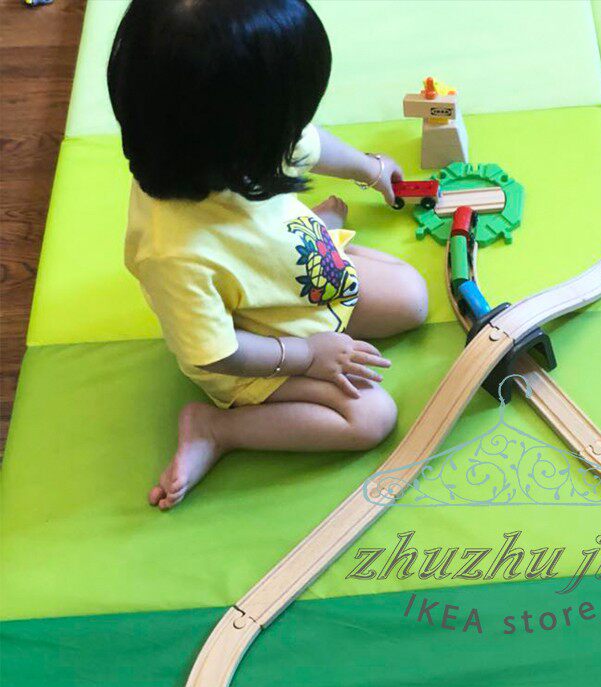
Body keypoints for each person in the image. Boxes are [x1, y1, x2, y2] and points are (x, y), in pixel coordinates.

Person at [108, 0, 428, 509]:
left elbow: (310, 144)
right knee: (370, 417)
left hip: (292, 279)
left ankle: (295, 239)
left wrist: (370, 169)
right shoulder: (174, 254)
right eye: (291, 117)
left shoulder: (220, 136)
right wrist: (306, 356)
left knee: (411, 297)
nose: (298, 129)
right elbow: (216, 352)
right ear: (248, 129)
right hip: (257, 347)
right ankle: (217, 430)